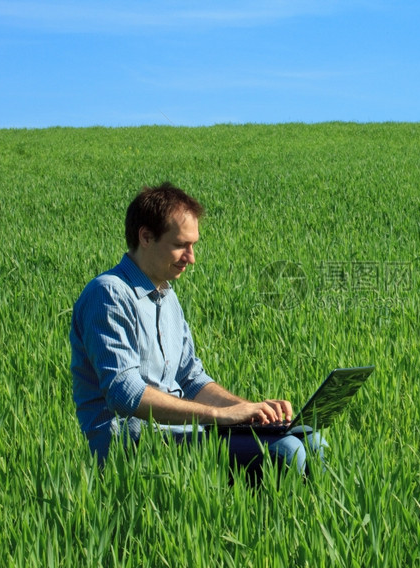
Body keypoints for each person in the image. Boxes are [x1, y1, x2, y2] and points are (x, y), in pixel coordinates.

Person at [70, 182, 324, 480]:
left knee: (312, 441)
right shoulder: (109, 294)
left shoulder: (167, 295)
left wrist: (250, 411)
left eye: (193, 246)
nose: (191, 257)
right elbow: (124, 394)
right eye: (181, 245)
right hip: (132, 447)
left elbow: (191, 378)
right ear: (146, 237)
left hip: (180, 433)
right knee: (286, 451)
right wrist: (220, 416)